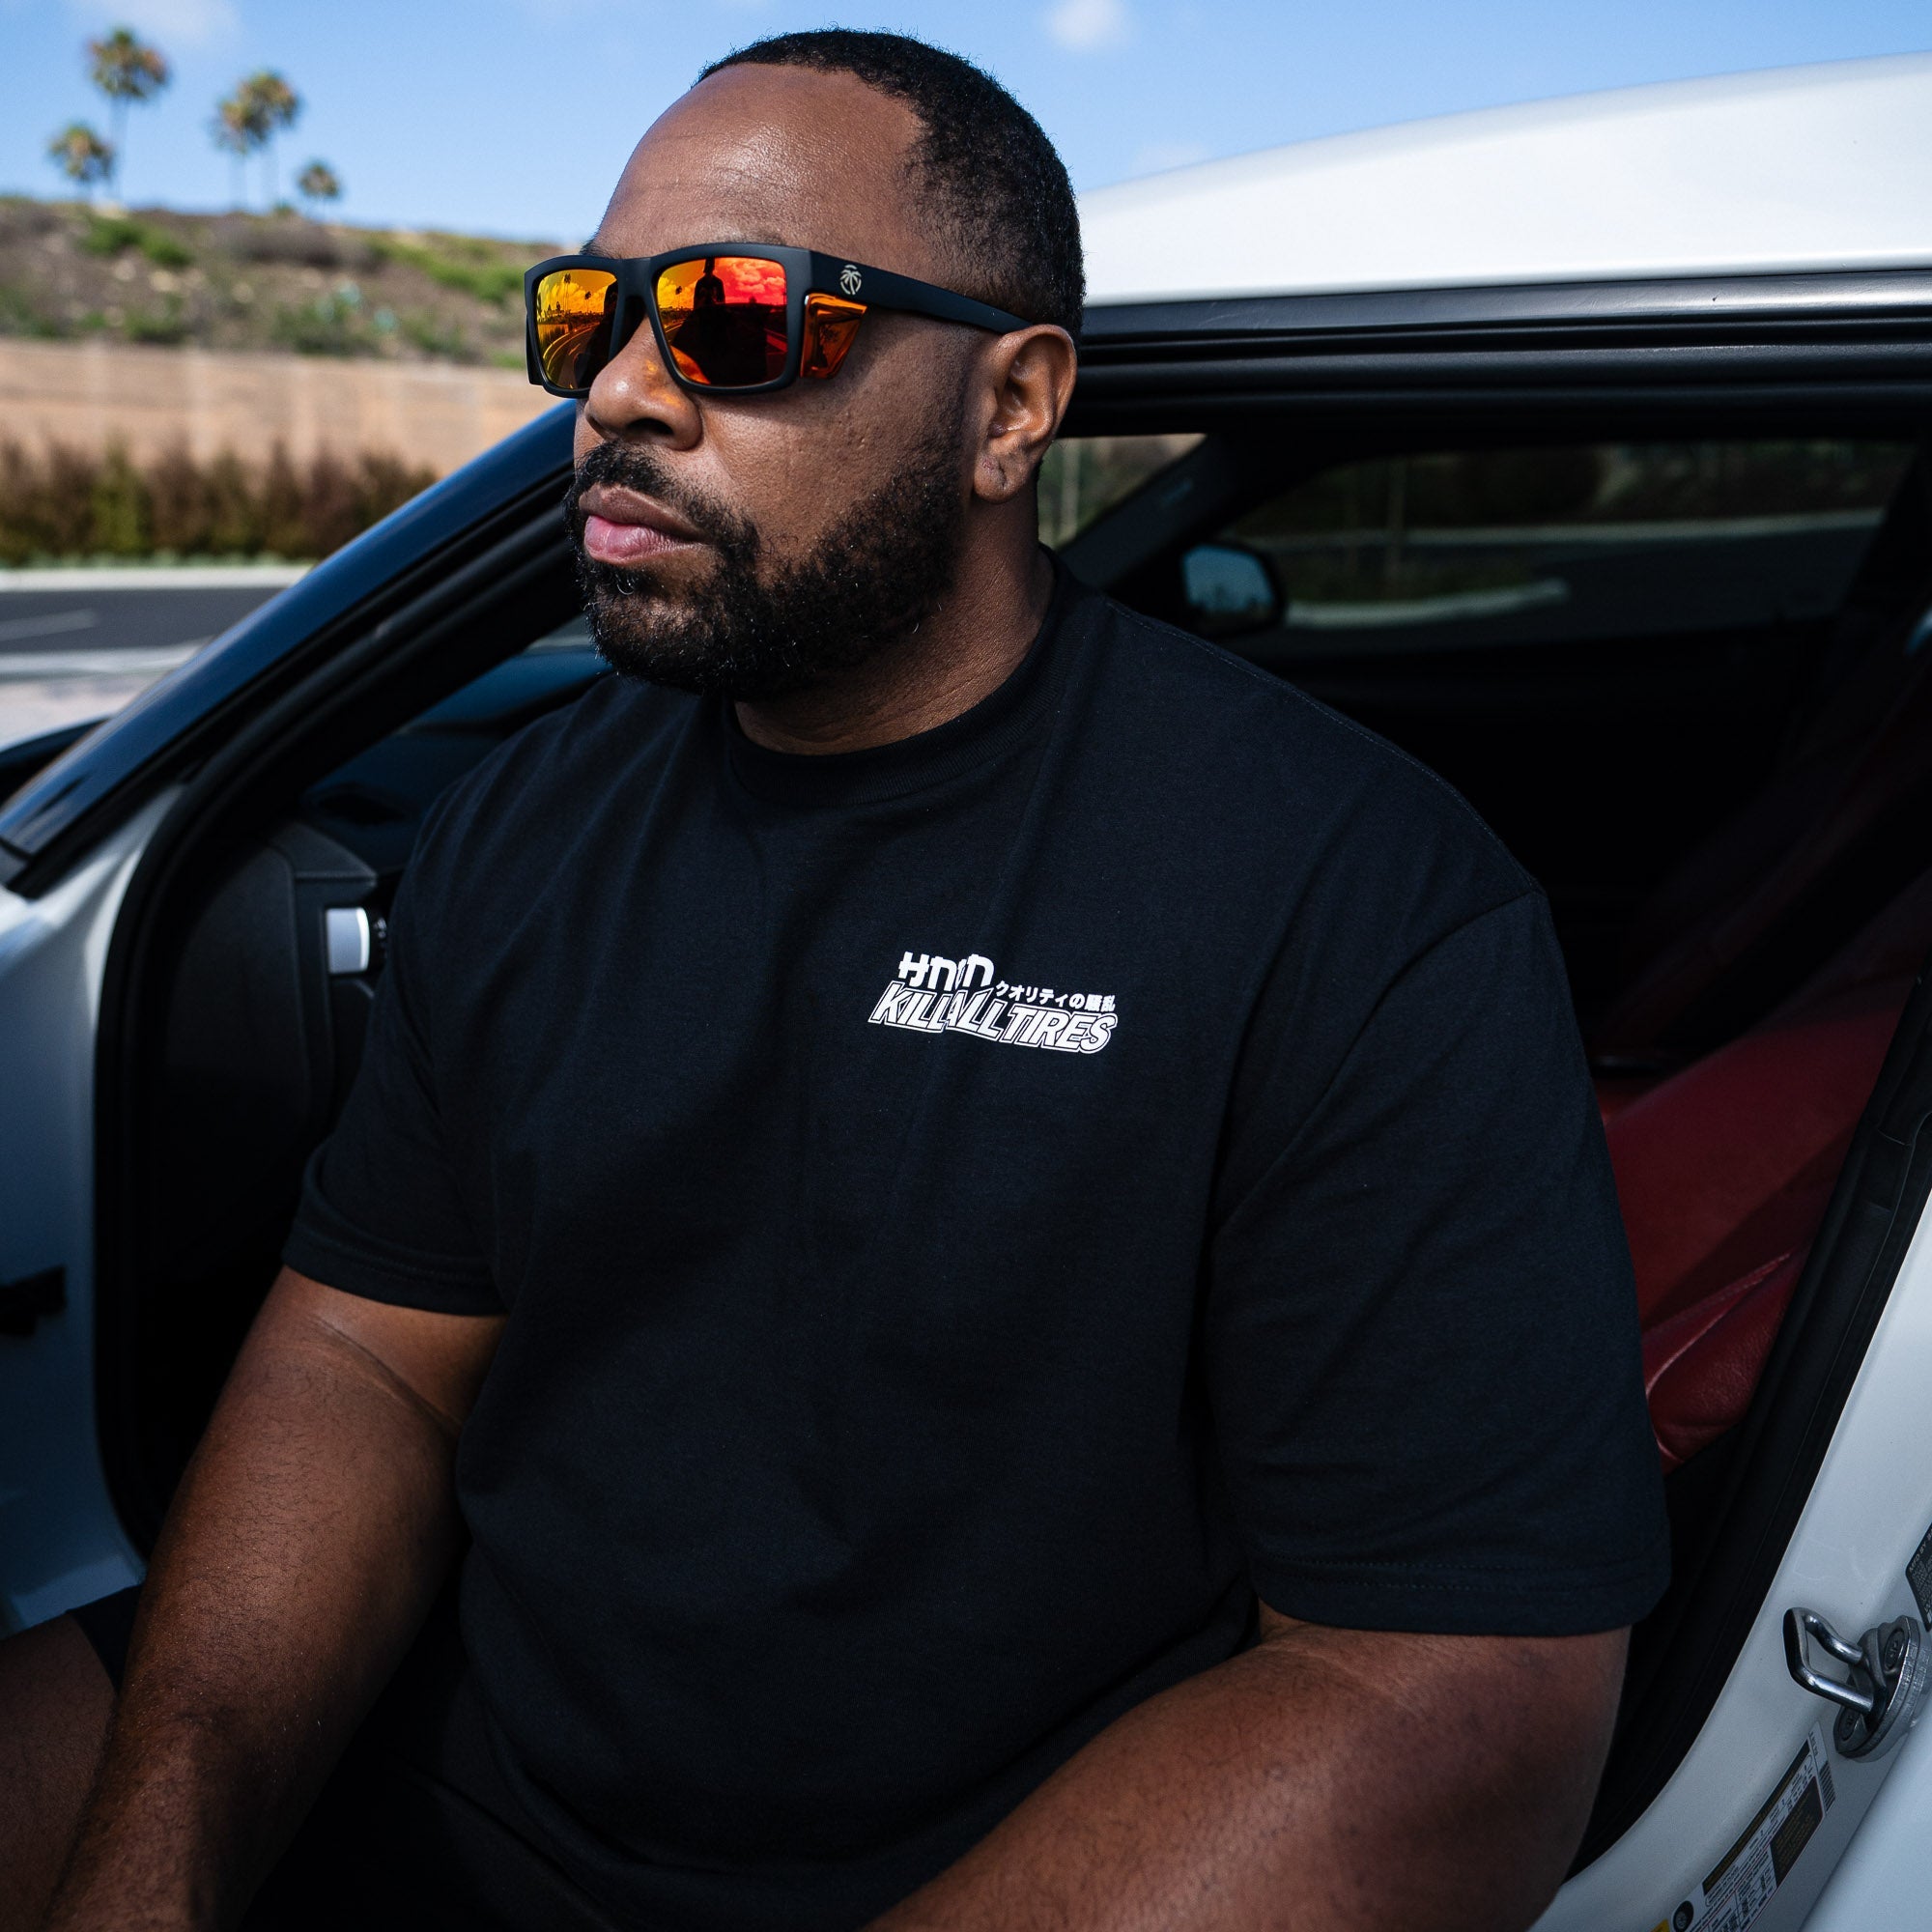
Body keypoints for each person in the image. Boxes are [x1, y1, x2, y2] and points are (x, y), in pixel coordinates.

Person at [1, 29, 1668, 1932]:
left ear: (1010, 408)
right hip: (473, 1759)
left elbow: (1450, 1687)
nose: (619, 389)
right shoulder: (522, 827)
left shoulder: (1354, 900)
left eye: (732, 318)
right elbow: (364, 1345)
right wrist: (160, 1856)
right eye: (586, 314)